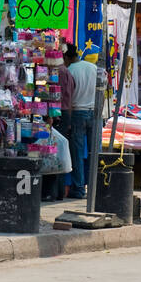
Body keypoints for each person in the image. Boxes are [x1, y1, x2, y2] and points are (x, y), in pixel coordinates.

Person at [67, 46, 104, 199]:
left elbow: (68, 97)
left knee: (77, 153)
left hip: (77, 112)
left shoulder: (70, 69)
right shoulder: (94, 68)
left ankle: (79, 188)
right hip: (95, 113)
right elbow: (102, 92)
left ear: (67, 57)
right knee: (95, 152)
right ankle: (96, 186)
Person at [57, 53, 78, 198]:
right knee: (61, 152)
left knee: (57, 152)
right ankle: (59, 190)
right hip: (65, 113)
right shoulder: (67, 72)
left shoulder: (60, 71)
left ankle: (57, 190)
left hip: (60, 113)